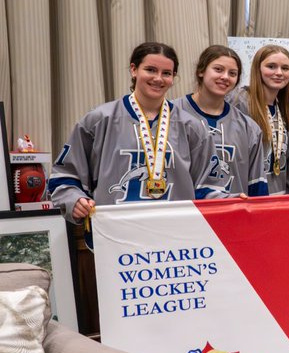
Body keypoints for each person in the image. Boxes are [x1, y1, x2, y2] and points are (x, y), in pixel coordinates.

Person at [49, 42, 224, 222]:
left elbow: (208, 186)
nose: (158, 78)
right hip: (115, 234)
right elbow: (65, 176)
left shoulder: (191, 127)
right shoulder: (99, 120)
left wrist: (238, 203)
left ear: (173, 77)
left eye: (166, 73)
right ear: (134, 70)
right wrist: (75, 200)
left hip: (175, 237)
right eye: (150, 70)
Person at [174, 45, 268, 197]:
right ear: (201, 71)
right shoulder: (172, 114)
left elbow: (257, 186)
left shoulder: (249, 127)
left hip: (231, 216)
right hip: (185, 215)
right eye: (218, 69)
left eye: (232, 73)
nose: (225, 77)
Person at [232, 44, 289, 194]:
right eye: (271, 66)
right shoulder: (239, 101)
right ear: (258, 69)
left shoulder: (284, 106)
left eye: (285, 68)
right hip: (247, 195)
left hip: (276, 196)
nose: (279, 73)